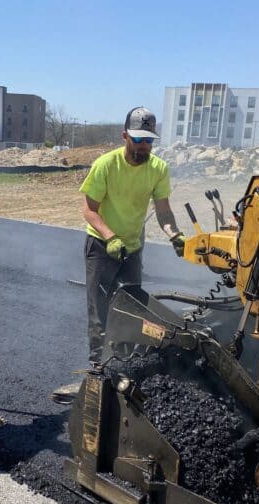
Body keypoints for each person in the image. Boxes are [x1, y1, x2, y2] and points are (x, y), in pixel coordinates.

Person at [80, 106, 186, 364]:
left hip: (132, 248)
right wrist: (110, 237)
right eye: (138, 139)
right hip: (101, 246)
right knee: (99, 309)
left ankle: (124, 363)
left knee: (132, 308)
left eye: (148, 140)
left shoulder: (158, 168)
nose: (143, 146)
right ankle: (98, 366)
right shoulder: (106, 165)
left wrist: (174, 234)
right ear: (125, 135)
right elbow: (89, 210)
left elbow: (163, 210)